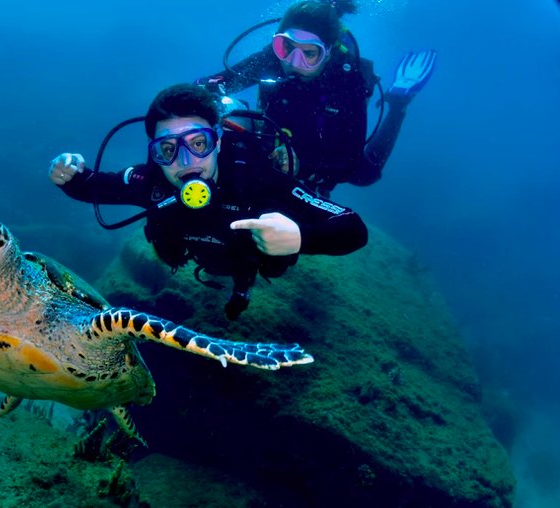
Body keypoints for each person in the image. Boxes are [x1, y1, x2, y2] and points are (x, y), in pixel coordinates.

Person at [48, 84, 367, 321]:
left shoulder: (257, 179)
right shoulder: (153, 183)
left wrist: (300, 238)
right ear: (154, 152)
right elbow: (90, 187)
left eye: (199, 143)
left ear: (218, 140)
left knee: (248, 268)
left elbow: (352, 228)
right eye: (168, 149)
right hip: (196, 254)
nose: (186, 161)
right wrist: (69, 174)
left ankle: (243, 289)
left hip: (247, 256)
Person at [196, 0, 436, 196]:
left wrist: (303, 166)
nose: (293, 62)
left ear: (328, 52)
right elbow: (216, 83)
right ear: (277, 43)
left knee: (366, 176)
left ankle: (398, 102)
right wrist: (207, 94)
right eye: (286, 48)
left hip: (324, 151)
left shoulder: (348, 80)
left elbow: (348, 163)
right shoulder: (271, 58)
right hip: (277, 138)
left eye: (310, 54)